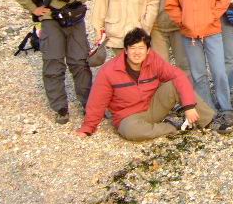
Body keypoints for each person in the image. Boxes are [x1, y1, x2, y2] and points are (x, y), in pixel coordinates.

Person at [12, 0, 98, 124]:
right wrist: (34, 9)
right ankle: (60, 108)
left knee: (80, 62)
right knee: (53, 63)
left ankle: (88, 104)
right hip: (51, 20)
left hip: (75, 20)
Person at [76, 28, 215, 141]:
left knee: (176, 83)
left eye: (141, 48)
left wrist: (189, 106)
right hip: (128, 116)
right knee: (131, 131)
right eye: (132, 48)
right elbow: (97, 101)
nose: (137, 53)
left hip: (153, 106)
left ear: (148, 50)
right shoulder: (109, 71)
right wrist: (88, 127)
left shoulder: (153, 60)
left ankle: (208, 121)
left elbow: (178, 75)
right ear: (126, 50)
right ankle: (172, 127)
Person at [165, 0, 233, 132]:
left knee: (219, 71)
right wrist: (183, 21)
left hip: (212, 31)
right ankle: (208, 110)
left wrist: (213, 15)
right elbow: (171, 6)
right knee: (198, 75)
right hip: (189, 36)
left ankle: (226, 108)